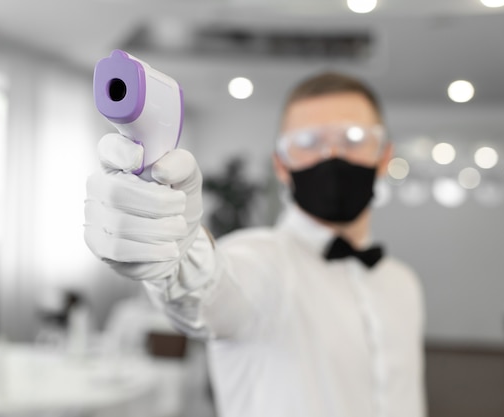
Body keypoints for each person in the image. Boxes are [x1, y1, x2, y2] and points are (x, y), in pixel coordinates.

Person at [84, 71, 426, 417]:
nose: (332, 154)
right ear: (281, 165)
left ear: (385, 157)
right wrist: (170, 248)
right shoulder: (263, 262)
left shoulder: (404, 284)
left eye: (354, 137)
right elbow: (209, 290)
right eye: (308, 142)